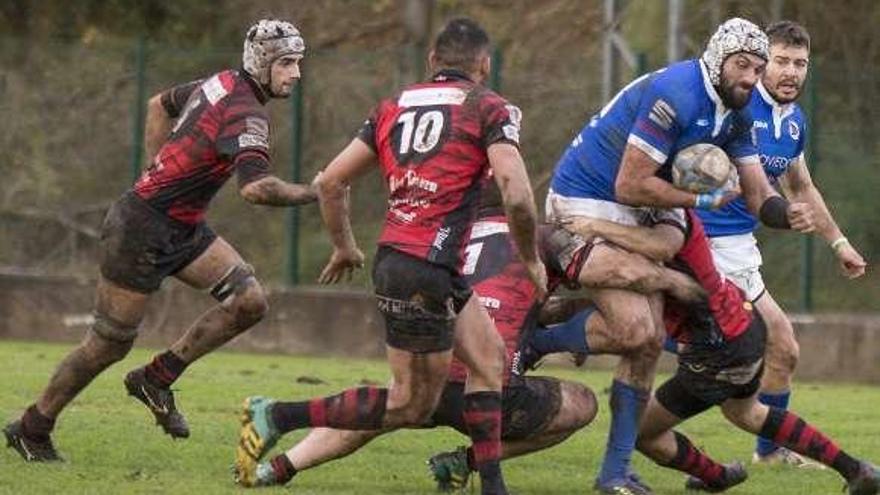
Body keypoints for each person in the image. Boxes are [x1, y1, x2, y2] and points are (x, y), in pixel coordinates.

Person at [234, 18, 545, 495]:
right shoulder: (491, 107)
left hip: (415, 261)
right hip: (422, 271)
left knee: (489, 360)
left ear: (431, 62)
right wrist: (532, 259)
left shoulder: (392, 107)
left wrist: (345, 246)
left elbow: (331, 182)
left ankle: (494, 487)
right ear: (484, 65)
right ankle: (276, 414)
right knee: (410, 405)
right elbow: (517, 195)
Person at [3, 19, 318, 462]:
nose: (296, 74)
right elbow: (256, 189)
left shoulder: (220, 82)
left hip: (183, 227)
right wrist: (316, 192)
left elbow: (159, 103)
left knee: (249, 301)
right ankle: (32, 427)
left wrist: (155, 163)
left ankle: (156, 378)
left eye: (298, 63)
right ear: (262, 64)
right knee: (108, 343)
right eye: (286, 63)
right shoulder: (247, 112)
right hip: (140, 229)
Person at [543, 17, 814, 494]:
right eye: (742, 66)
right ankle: (539, 338)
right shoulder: (677, 94)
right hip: (589, 202)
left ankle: (614, 473)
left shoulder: (739, 108)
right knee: (638, 332)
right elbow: (628, 183)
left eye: (757, 68)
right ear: (717, 59)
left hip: (644, 208)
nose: (751, 78)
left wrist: (785, 213)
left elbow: (756, 194)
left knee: (646, 338)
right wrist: (701, 201)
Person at [234, 184, 597, 490]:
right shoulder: (540, 236)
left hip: (433, 365)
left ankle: (278, 467)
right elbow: (603, 274)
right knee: (583, 401)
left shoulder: (450, 237)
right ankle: (467, 463)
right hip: (491, 395)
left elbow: (499, 302)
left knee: (380, 409)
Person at [695, 20, 868, 467]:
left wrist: (838, 243)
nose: (791, 71)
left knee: (781, 348)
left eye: (801, 63)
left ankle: (769, 454)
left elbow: (802, 186)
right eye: (782, 61)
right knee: (758, 343)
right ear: (761, 62)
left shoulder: (793, 122)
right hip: (699, 242)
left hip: (740, 250)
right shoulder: (734, 104)